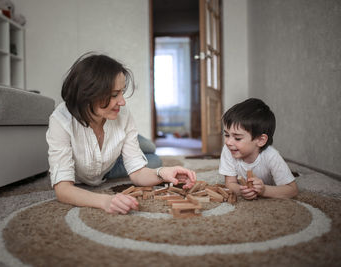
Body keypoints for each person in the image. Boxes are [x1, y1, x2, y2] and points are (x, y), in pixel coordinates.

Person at [46, 52, 197, 214]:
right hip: (106, 167)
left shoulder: (123, 114)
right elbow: (63, 190)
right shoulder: (60, 120)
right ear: (88, 94)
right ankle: (143, 146)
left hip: (108, 161)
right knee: (153, 159)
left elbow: (138, 172)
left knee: (154, 158)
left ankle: (145, 146)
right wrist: (105, 201)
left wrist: (163, 172)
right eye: (113, 95)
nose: (122, 102)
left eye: (122, 92)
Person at [219, 98, 298, 199]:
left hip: (268, 185)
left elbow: (292, 190)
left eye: (237, 138)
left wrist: (264, 190)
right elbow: (230, 183)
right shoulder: (228, 150)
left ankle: (291, 173)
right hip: (247, 186)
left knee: (287, 177)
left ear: (260, 140)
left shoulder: (271, 155)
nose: (228, 142)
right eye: (226, 135)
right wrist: (242, 191)